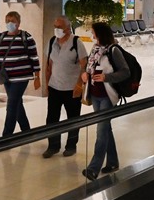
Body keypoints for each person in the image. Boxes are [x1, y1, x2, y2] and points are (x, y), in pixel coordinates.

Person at [80, 23, 130, 180]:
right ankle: (113, 161)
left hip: (108, 96)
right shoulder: (95, 49)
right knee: (105, 128)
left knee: (101, 132)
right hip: (95, 94)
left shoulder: (113, 51)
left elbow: (125, 72)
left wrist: (106, 77)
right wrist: (85, 75)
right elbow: (90, 67)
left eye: (94, 33)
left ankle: (93, 168)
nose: (93, 36)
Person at [0, 11, 40, 137]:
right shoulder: (1, 37)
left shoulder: (26, 37)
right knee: (17, 103)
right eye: (8, 21)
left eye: (13, 21)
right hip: (7, 77)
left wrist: (37, 77)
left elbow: (34, 57)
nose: (10, 24)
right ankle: (27, 132)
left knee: (12, 104)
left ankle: (6, 136)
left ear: (19, 23)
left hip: (21, 77)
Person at [42, 16, 88, 158]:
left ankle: (71, 146)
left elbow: (84, 65)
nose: (57, 29)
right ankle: (53, 145)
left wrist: (79, 85)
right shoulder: (51, 42)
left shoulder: (76, 42)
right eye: (55, 26)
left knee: (73, 119)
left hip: (72, 89)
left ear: (68, 28)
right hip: (55, 87)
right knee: (52, 119)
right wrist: (47, 84)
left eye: (60, 27)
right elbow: (49, 65)